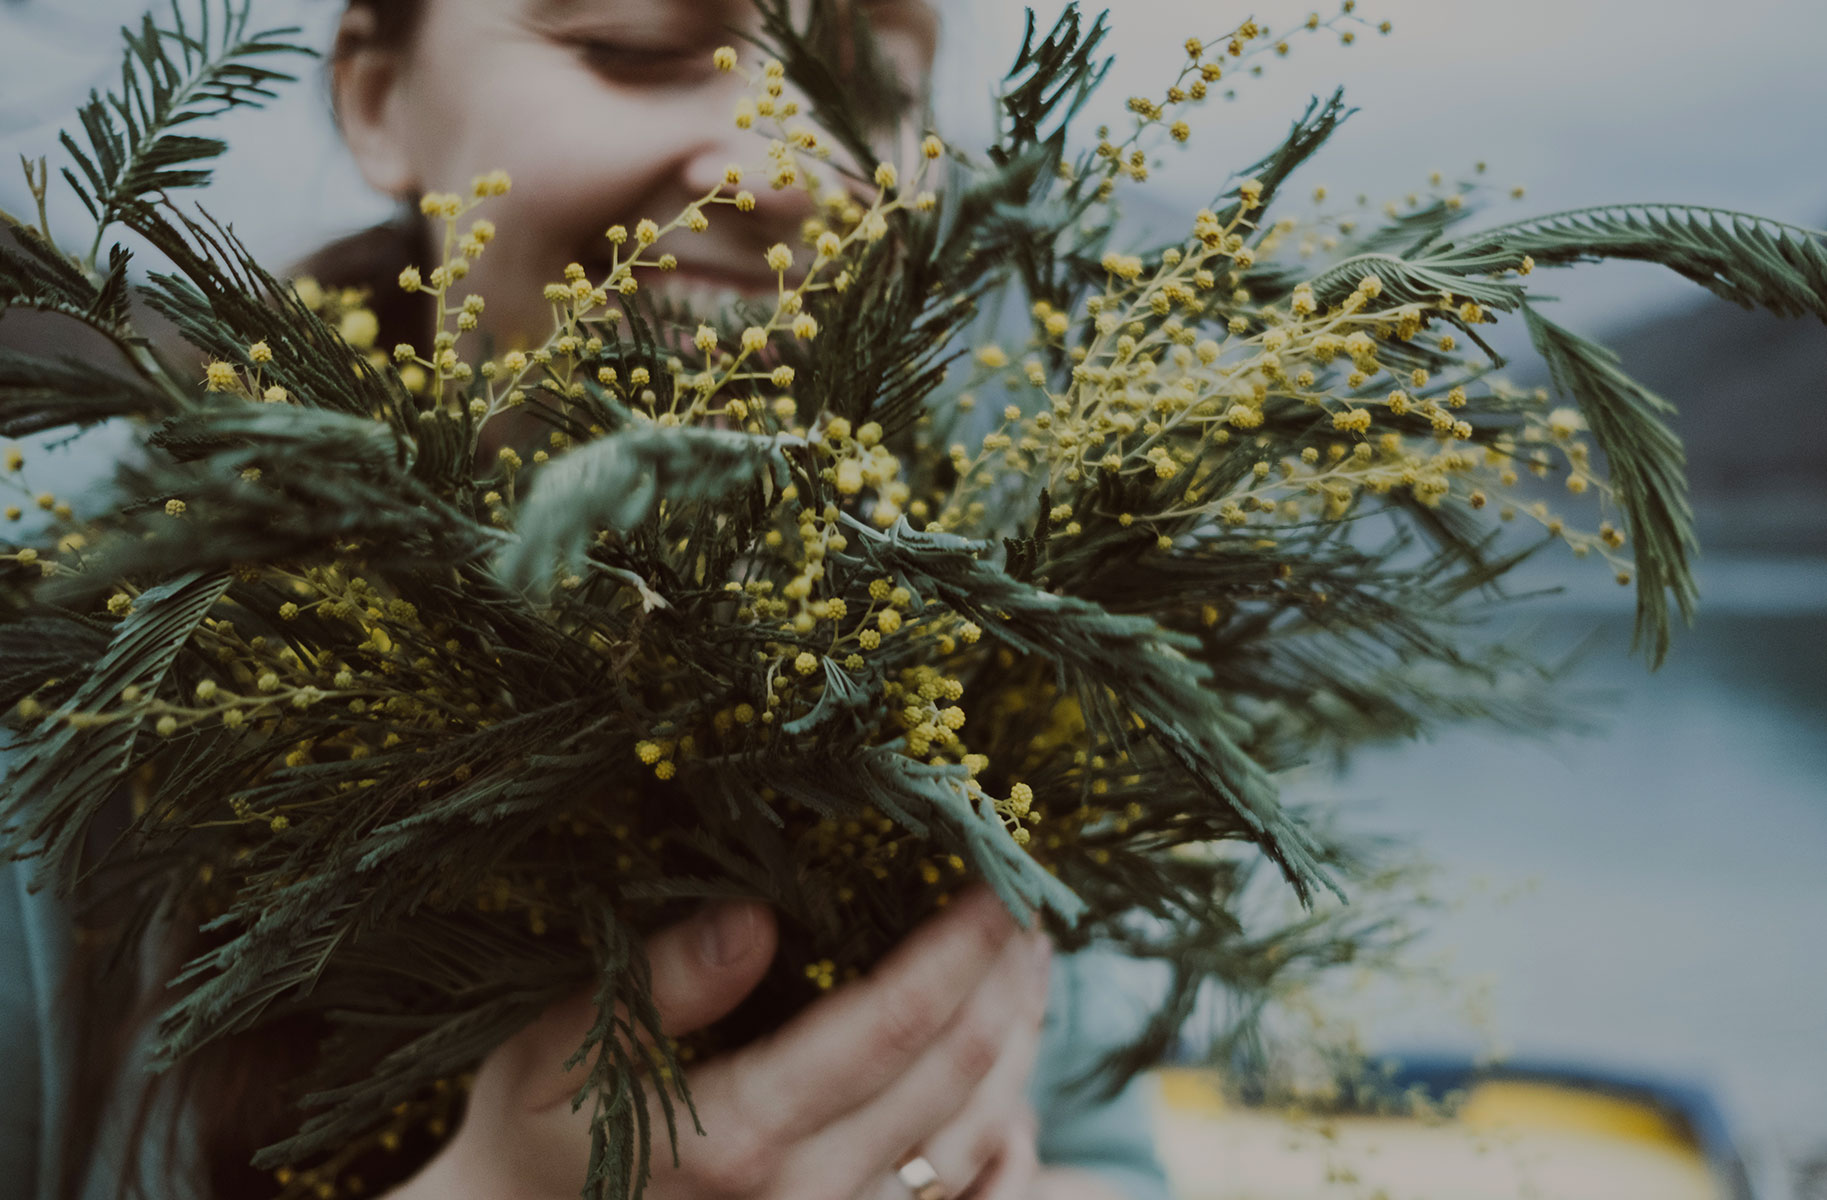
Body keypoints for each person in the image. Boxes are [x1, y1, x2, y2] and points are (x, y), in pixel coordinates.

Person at [1, 2, 1177, 1198]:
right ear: (374, 96)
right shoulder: (80, 654)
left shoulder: (964, 648)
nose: (777, 170)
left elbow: (1107, 1161)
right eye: (635, 47)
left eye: (862, 86)